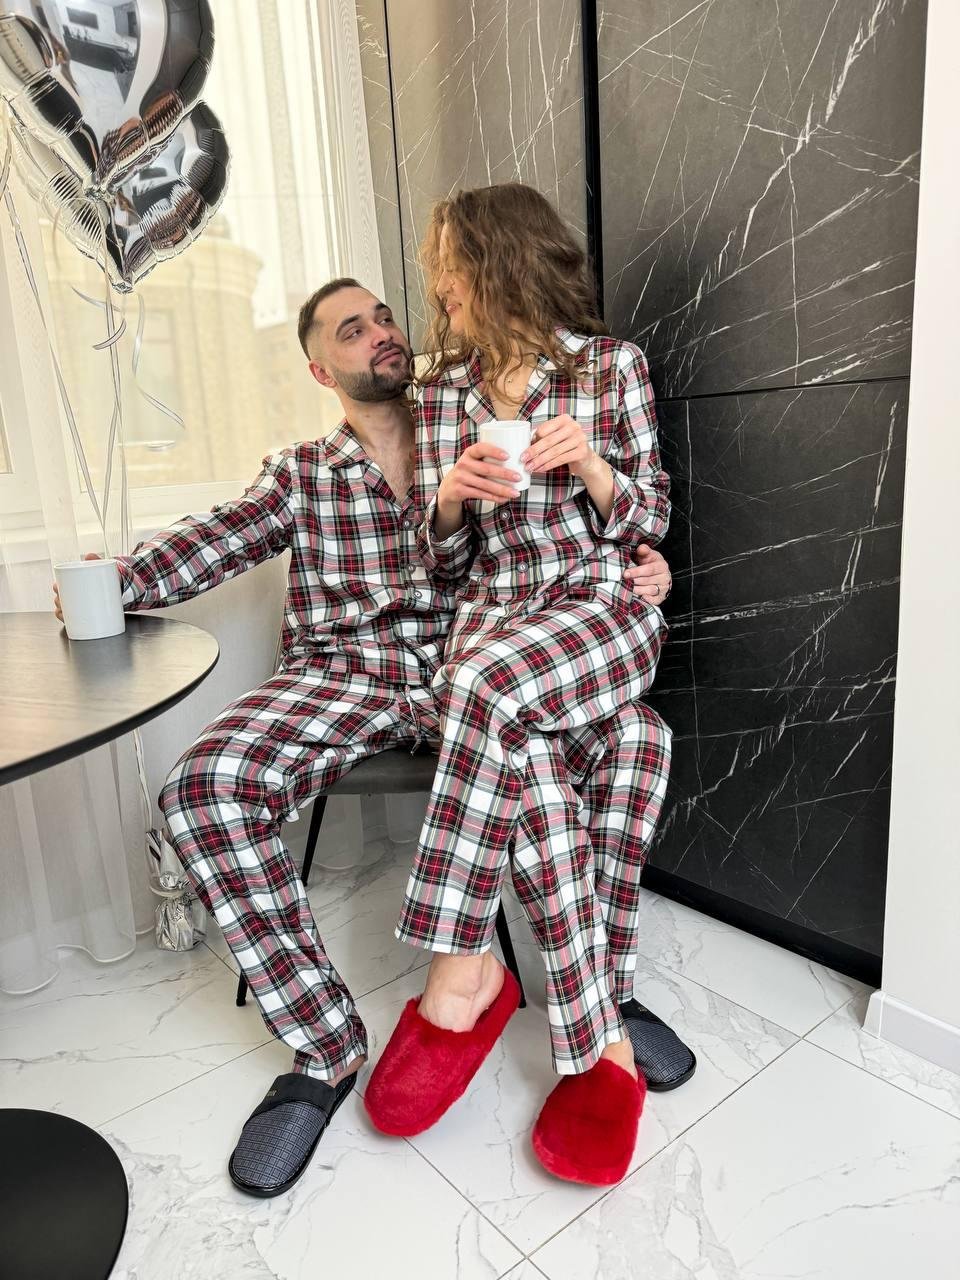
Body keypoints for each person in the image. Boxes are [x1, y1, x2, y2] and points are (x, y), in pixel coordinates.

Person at [51, 277, 682, 1197]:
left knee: (625, 743)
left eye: (385, 317)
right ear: (322, 369)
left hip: (475, 660)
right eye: (352, 331)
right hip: (342, 675)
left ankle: (595, 1010)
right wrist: (115, 580)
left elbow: (571, 532)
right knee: (201, 791)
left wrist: (642, 566)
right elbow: (219, 537)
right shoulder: (302, 471)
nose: (382, 334)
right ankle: (326, 1048)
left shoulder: (472, 415)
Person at [365, 183, 682, 1186]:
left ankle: (460, 976)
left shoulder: (609, 369)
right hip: (497, 623)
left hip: (600, 611)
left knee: (484, 693)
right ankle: (600, 1041)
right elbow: (442, 567)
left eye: (448, 265)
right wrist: (451, 503)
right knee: (616, 749)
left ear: (498, 262)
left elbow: (652, 520)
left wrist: (590, 463)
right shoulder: (445, 396)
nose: (438, 287)